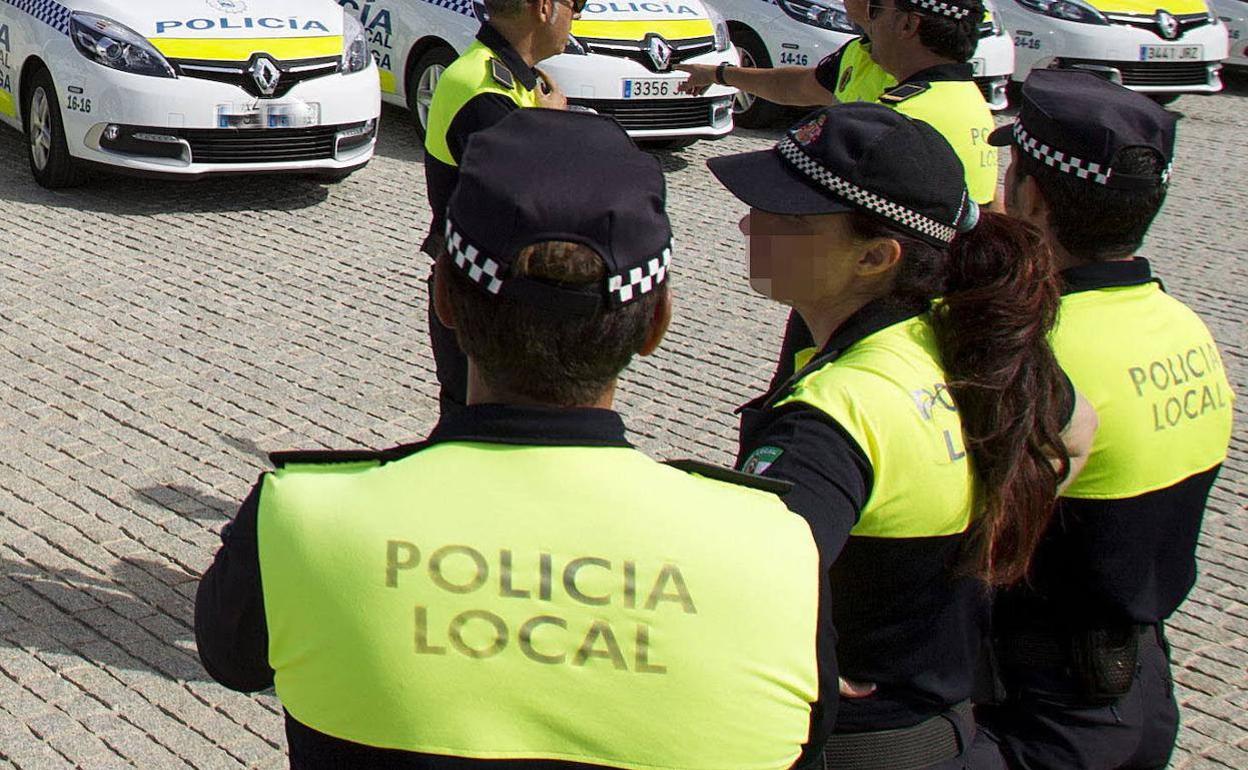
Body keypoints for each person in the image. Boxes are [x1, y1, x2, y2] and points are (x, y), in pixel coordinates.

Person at [195, 108, 836, 770]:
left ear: (444, 299)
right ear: (657, 325)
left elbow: (233, 659)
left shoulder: (302, 516)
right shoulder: (774, 546)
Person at [706, 103, 1096, 769]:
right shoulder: (965, 345)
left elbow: (742, 588)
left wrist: (812, 664)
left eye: (784, 217)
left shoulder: (834, 416)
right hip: (943, 728)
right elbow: (1077, 427)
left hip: (853, 747)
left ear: (875, 256)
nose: (748, 223)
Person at [977, 70, 1235, 770]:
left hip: (1034, 701)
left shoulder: (1039, 351)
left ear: (1028, 197)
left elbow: (969, 536)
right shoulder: (1186, 329)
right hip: (1142, 688)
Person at [678, 0, 998, 206]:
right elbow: (797, 86)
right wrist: (720, 74)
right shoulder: (965, 100)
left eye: (876, 8)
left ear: (907, 24)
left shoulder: (906, 120)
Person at [423, 0, 574, 415]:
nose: (576, 17)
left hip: (485, 295)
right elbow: (528, 207)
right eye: (575, 5)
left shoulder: (499, 77)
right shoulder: (486, 92)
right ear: (544, 8)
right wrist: (551, 129)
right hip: (488, 306)